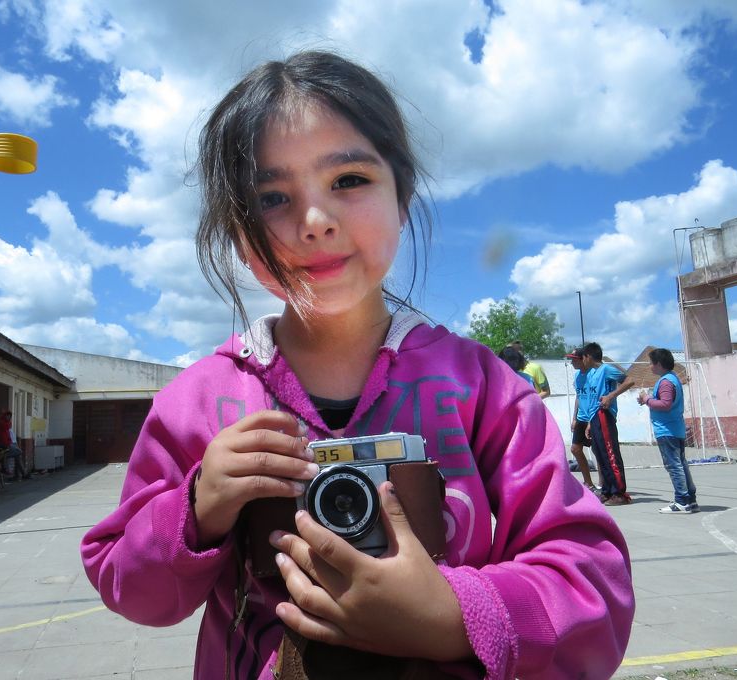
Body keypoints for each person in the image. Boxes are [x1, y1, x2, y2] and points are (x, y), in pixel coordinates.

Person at [80, 50, 634, 679]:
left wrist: (455, 616)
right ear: (235, 232)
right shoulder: (197, 403)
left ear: (403, 197)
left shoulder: (482, 389)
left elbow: (595, 579)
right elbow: (128, 585)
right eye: (271, 197)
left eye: (348, 180)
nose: (314, 222)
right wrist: (198, 507)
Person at [638, 348, 698, 514]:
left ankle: (682, 500)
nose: (650, 366)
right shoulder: (672, 379)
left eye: (651, 363)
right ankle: (690, 499)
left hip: (667, 429)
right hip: (674, 428)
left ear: (658, 364)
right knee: (681, 464)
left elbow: (665, 404)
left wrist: (647, 399)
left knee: (674, 465)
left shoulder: (666, 381)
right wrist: (649, 400)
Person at [579, 343, 635, 507]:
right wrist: (590, 422)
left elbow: (629, 380)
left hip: (605, 415)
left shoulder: (606, 369)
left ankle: (619, 492)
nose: (583, 361)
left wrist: (611, 396)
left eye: (583, 357)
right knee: (600, 453)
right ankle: (607, 490)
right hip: (595, 416)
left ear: (588, 356)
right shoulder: (591, 375)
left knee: (610, 453)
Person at [565, 348, 598, 492]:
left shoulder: (594, 374)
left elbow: (596, 398)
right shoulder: (578, 376)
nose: (572, 362)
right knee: (575, 449)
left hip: (593, 418)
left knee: (598, 451)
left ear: (583, 359)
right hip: (581, 419)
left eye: (574, 359)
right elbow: (578, 397)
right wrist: (574, 418)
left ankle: (604, 484)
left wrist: (591, 421)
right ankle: (588, 483)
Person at [0, 410, 30, 481]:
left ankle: (20, 475)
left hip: (10, 443)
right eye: (7, 416)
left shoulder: (5, 423)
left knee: (18, 456)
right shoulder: (1, 423)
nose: (8, 418)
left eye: (9, 416)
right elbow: (7, 426)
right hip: (5, 444)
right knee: (18, 452)